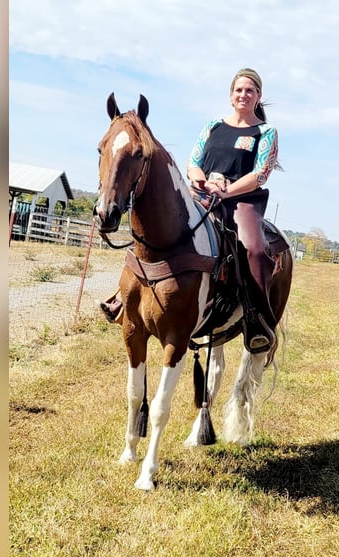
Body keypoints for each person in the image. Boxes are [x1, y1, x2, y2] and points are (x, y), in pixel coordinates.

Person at [100, 67, 280, 353]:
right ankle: (127, 297)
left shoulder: (265, 131)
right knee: (160, 229)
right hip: (203, 193)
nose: (243, 94)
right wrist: (200, 177)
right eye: (238, 90)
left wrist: (227, 190)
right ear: (231, 95)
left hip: (241, 200)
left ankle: (257, 318)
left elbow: (260, 174)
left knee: (255, 248)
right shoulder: (213, 126)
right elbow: (193, 160)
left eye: (249, 90)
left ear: (259, 96)